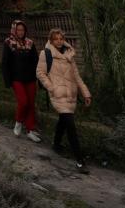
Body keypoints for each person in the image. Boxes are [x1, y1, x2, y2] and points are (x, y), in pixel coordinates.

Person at [36, 28, 92, 173]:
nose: (59, 41)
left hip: (71, 95)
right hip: (58, 94)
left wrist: (86, 93)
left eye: (61, 38)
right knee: (70, 125)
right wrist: (51, 87)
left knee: (63, 120)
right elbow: (40, 72)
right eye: (56, 39)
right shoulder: (46, 54)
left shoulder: (69, 55)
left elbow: (77, 77)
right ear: (51, 40)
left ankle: (56, 144)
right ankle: (80, 160)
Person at [2, 19, 42, 142]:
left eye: (22, 30)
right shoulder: (9, 43)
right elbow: (5, 63)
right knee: (23, 102)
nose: (20, 32)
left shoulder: (30, 43)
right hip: (16, 79)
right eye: (18, 29)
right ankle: (19, 122)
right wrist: (7, 80)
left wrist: (39, 77)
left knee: (31, 103)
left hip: (30, 78)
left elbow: (36, 61)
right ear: (14, 30)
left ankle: (30, 130)